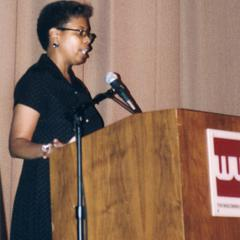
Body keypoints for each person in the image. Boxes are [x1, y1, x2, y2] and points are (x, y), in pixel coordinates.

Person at [9, 1, 104, 239]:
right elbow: (17, 144)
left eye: (88, 34)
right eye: (81, 33)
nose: (88, 41)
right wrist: (49, 150)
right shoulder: (37, 80)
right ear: (55, 35)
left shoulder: (79, 88)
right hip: (44, 196)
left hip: (82, 198)